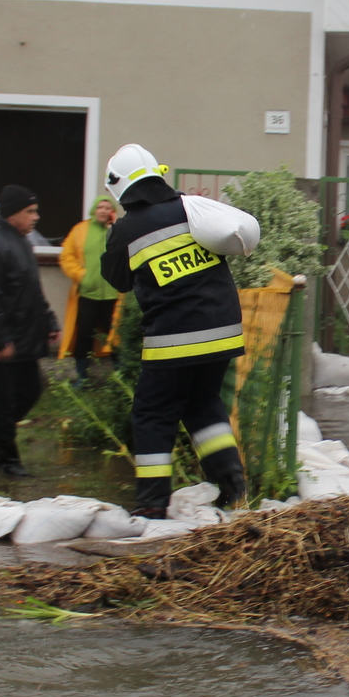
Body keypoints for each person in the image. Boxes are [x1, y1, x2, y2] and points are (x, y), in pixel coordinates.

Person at [99, 145, 248, 518]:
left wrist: (115, 241)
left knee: (153, 413)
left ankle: (151, 504)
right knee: (202, 404)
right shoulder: (190, 208)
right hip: (224, 329)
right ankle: (232, 484)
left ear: (119, 187)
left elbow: (116, 279)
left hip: (175, 336)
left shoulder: (127, 228)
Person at [0, 185, 59, 478]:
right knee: (2, 402)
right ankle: (6, 459)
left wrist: (49, 321)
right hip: (0, 342)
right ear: (14, 212)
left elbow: (30, 287)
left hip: (24, 337)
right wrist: (0, 339)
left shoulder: (19, 240)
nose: (36, 217)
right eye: (30, 211)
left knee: (30, 390)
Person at [58, 193, 122, 384]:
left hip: (113, 294)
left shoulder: (118, 230)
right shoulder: (80, 230)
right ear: (94, 209)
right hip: (88, 294)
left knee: (116, 337)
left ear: (113, 212)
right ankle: (81, 377)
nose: (104, 210)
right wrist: (80, 275)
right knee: (84, 335)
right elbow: (66, 256)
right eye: (100, 207)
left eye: (108, 207)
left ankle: (121, 375)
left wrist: (115, 230)